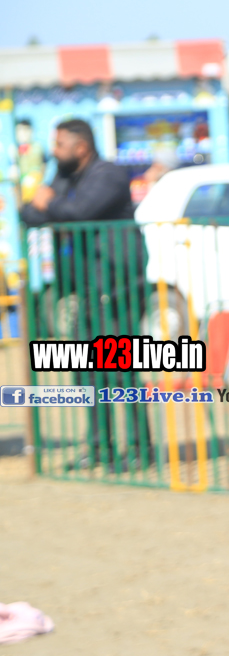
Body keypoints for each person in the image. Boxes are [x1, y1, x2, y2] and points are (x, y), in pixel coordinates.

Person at [19, 119, 151, 472]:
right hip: (86, 286)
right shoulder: (66, 176)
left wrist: (50, 204)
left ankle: (140, 448)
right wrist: (49, 205)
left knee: (121, 369)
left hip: (117, 285)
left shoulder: (109, 174)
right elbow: (30, 214)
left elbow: (79, 213)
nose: (53, 151)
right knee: (88, 370)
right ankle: (99, 447)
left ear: (81, 147)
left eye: (59, 145)